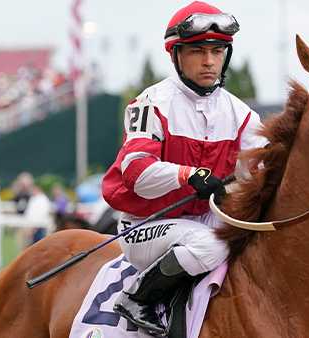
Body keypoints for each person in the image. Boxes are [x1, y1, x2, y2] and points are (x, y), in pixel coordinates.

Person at [101, 1, 268, 333]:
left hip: (202, 221)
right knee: (214, 244)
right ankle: (137, 298)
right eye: (197, 52)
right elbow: (137, 175)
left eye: (217, 51)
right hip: (146, 225)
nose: (209, 61)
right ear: (175, 55)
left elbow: (262, 168)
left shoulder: (241, 114)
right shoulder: (151, 103)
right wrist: (188, 175)